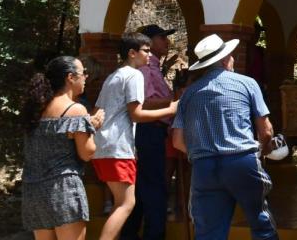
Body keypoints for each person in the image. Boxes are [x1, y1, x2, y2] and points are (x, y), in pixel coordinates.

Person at [172, 34, 280, 240]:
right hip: (241, 161)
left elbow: (177, 141)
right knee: (261, 223)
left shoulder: (189, 94)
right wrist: (263, 149)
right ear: (224, 59)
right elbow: (266, 130)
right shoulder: (247, 83)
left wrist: (200, 152)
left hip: (203, 167)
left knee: (208, 232)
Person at [93, 33, 178, 240]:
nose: (149, 55)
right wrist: (172, 108)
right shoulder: (134, 75)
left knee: (124, 202)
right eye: (146, 51)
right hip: (119, 146)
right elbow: (137, 114)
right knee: (126, 204)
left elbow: (97, 111)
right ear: (132, 53)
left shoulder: (113, 76)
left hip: (104, 146)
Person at [21, 56, 103, 240]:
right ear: (70, 77)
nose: (86, 78)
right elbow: (87, 153)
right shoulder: (76, 110)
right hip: (63, 187)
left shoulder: (36, 107)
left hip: (34, 190)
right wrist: (92, 128)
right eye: (83, 73)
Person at [122, 24, 176, 240]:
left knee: (145, 187)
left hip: (153, 131)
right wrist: (174, 101)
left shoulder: (152, 68)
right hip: (147, 130)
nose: (167, 42)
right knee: (153, 187)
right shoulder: (144, 69)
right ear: (149, 42)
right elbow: (143, 104)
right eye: (163, 37)